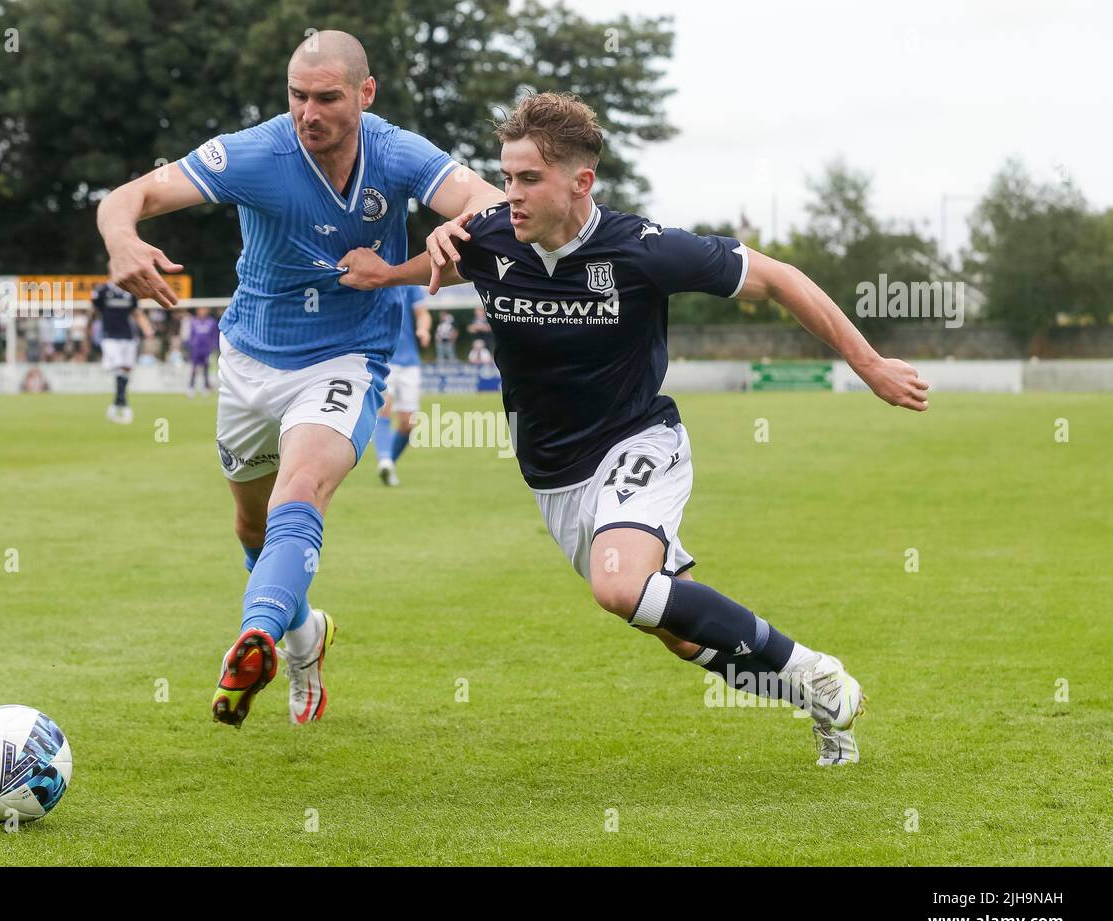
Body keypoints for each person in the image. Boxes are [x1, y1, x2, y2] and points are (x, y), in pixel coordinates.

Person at [340, 92, 931, 766]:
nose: (512, 195)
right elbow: (443, 263)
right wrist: (392, 272)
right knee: (673, 628)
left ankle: (813, 669)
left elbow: (780, 277)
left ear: (580, 182)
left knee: (618, 585)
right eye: (506, 177)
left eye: (529, 179)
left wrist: (870, 363)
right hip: (553, 474)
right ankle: (821, 700)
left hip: (638, 442)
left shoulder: (646, 251)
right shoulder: (488, 236)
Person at [96, 30, 504, 727]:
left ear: (365, 94)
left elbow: (498, 215)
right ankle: (303, 634)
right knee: (251, 522)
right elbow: (126, 197)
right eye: (296, 96)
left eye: (326, 98)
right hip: (250, 361)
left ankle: (254, 633)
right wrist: (123, 241)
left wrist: (410, 264)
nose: (307, 113)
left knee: (303, 486)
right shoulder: (257, 152)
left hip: (348, 358)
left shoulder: (399, 152)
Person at [373, 286, 430, 486]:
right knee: (384, 409)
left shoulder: (410, 284)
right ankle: (385, 460)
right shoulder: (376, 278)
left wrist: (423, 329)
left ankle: (388, 465)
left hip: (410, 362)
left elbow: (423, 314)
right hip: (384, 359)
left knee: (408, 424)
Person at [90, 281, 151, 423]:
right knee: (119, 367)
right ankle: (125, 407)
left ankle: (116, 405)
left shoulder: (130, 291)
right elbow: (93, 311)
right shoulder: (102, 291)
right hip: (109, 337)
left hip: (128, 337)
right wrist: (88, 331)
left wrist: (147, 328)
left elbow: (137, 313)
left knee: (124, 371)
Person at [186, 306, 218, 397]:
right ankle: (191, 387)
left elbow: (215, 335)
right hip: (196, 349)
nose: (202, 312)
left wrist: (213, 347)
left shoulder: (212, 322)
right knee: (194, 369)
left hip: (206, 349)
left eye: (204, 310)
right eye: (201, 310)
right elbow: (191, 335)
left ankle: (206, 387)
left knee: (206, 369)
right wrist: (191, 345)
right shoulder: (194, 322)